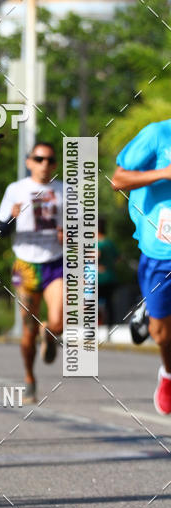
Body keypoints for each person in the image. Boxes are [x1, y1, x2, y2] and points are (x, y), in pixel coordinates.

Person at [0, 142, 64, 404]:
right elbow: (1, 231)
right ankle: (29, 378)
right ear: (29, 162)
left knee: (58, 321)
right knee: (27, 330)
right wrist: (11, 218)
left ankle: (49, 332)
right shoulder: (16, 190)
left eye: (49, 160)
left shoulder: (65, 191)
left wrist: (67, 234)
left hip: (55, 262)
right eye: (39, 159)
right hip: (24, 265)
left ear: (55, 164)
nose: (44, 164)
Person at [111, 120, 171, 415]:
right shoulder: (158, 134)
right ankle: (168, 375)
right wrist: (164, 173)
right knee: (162, 334)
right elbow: (118, 179)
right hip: (162, 249)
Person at [97, 218, 119, 328]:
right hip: (111, 277)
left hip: (99, 278)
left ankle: (95, 326)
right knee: (109, 303)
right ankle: (110, 326)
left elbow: (94, 256)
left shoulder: (97, 244)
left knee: (93, 303)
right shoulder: (109, 243)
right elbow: (117, 259)